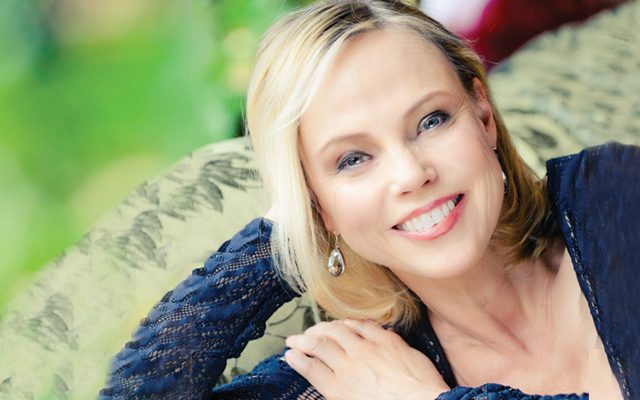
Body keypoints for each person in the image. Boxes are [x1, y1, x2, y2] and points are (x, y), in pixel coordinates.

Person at [99, 1, 640, 399]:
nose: (411, 174)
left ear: (482, 114)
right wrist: (283, 234)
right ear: (318, 205)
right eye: (352, 159)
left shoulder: (613, 196)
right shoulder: (351, 374)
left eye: (431, 121)